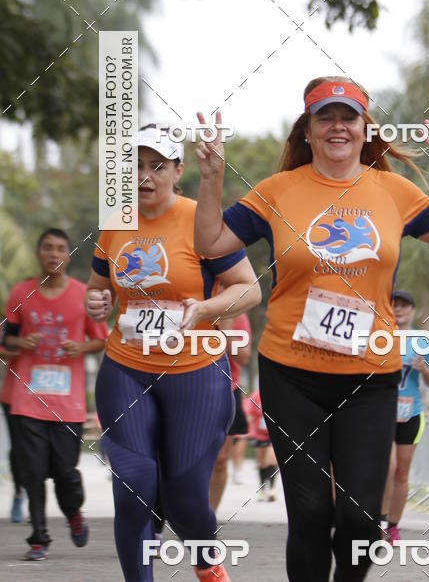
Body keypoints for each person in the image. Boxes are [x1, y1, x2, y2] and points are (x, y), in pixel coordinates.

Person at [193, 76, 429, 582]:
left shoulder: (393, 191)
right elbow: (212, 243)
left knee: (360, 519)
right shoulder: (278, 191)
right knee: (309, 514)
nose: (338, 126)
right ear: (307, 130)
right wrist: (211, 176)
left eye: (349, 117)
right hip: (290, 373)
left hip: (370, 375)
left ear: (366, 129)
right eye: (325, 117)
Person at [86, 126, 261, 582]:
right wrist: (97, 302)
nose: (144, 176)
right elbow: (99, 291)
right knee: (133, 487)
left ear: (178, 170)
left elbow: (249, 290)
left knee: (185, 500)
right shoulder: (115, 221)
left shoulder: (200, 219)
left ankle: (206, 558)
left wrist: (205, 307)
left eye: (156, 166)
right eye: (136, 166)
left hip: (196, 373)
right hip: (126, 368)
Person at [3, 228, 108, 561]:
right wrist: (20, 343)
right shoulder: (21, 293)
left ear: (68, 255)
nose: (53, 254)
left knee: (65, 470)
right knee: (31, 470)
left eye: (60, 248)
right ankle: (38, 537)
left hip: (68, 403)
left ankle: (73, 512)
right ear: (38, 254)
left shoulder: (83, 294)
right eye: (47, 247)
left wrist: (80, 347)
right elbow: (5, 345)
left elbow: (102, 339)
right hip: (25, 397)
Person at [380, 290, 429, 543]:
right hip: (381, 412)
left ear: (413, 311)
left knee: (401, 472)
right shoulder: (379, 336)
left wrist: (423, 369)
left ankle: (393, 526)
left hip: (411, 413)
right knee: (387, 466)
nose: (399, 310)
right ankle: (378, 520)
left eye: (405, 306)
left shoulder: (423, 340)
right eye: (394, 305)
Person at [209, 311, 252, 512]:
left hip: (226, 389)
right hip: (188, 387)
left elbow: (244, 357)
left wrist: (225, 328)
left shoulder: (237, 314)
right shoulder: (189, 303)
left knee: (220, 459)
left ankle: (207, 518)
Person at [0, 340, 26, 522]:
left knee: (44, 451)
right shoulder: (13, 316)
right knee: (18, 451)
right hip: (14, 394)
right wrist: (22, 349)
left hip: (51, 393)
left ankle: (36, 498)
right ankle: (19, 492)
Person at [245, 389, 278, 501]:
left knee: (271, 461)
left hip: (273, 435)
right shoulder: (256, 395)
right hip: (258, 434)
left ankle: (272, 490)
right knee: (262, 464)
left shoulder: (277, 394)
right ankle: (263, 489)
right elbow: (249, 414)